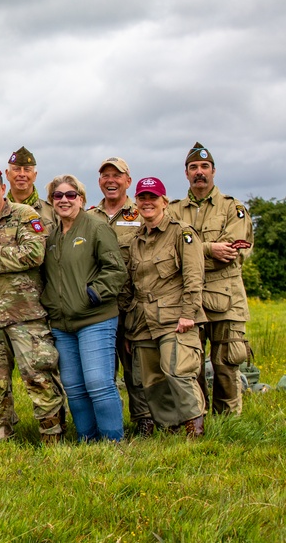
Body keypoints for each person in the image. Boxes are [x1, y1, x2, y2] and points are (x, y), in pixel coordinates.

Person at [0, 165, 65, 443]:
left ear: (3, 189)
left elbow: (35, 254)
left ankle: (52, 434)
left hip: (25, 315)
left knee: (39, 376)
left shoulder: (25, 216)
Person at [40, 175, 126, 442]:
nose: (64, 200)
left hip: (94, 318)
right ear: (51, 201)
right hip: (63, 324)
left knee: (99, 383)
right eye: (58, 195)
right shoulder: (52, 235)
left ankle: (112, 441)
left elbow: (116, 270)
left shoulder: (96, 228)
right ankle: (87, 440)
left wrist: (92, 294)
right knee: (75, 388)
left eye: (70, 194)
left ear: (81, 198)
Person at [170, 143, 253, 416]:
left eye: (204, 167)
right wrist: (207, 249)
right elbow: (168, 251)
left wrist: (192, 252)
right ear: (186, 174)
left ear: (214, 171)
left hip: (227, 297)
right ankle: (198, 419)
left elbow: (231, 253)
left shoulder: (233, 208)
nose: (199, 172)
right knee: (190, 362)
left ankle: (230, 420)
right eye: (193, 168)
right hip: (188, 298)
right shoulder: (173, 211)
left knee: (226, 363)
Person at [122, 177, 206, 437]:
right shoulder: (136, 240)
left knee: (178, 371)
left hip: (174, 316)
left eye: (153, 198)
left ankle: (195, 427)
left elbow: (194, 276)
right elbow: (131, 285)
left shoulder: (182, 233)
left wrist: (188, 314)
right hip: (143, 320)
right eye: (143, 198)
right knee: (152, 380)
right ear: (136, 203)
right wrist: (128, 326)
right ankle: (171, 430)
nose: (148, 203)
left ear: (164, 202)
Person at [88, 157, 157, 436]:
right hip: (99, 305)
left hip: (134, 303)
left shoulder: (141, 213)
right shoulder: (89, 216)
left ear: (128, 181)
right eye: (105, 175)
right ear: (99, 182)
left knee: (136, 367)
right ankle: (104, 422)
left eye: (117, 175)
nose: (111, 180)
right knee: (101, 369)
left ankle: (144, 420)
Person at [5, 146, 55, 227]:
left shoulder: (51, 212)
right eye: (16, 169)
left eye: (27, 170)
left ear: (35, 175)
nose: (22, 174)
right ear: (7, 174)